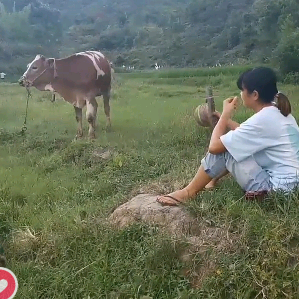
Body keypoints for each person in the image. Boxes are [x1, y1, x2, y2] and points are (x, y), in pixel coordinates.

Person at [157, 67, 299, 206]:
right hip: (292, 190)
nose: (241, 94)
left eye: (242, 90)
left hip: (278, 195)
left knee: (227, 150)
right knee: (237, 145)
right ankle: (210, 180)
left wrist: (225, 115)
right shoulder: (279, 113)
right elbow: (243, 133)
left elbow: (214, 148)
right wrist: (222, 119)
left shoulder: (263, 119)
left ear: (255, 95)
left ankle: (189, 192)